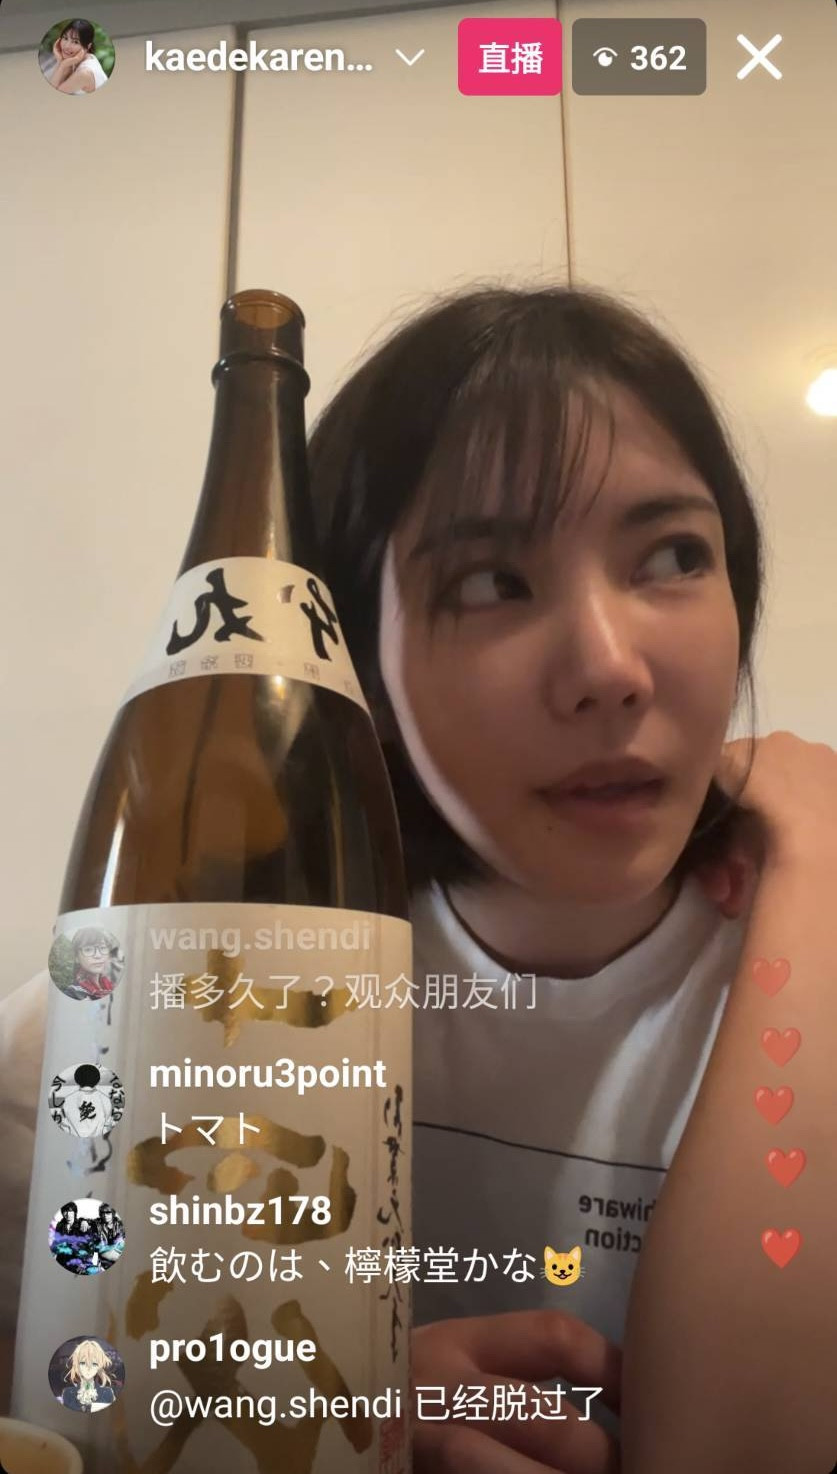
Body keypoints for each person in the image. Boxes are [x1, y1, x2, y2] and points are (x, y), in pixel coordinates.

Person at [0, 286, 835, 1466]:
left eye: (672, 556)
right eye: (492, 581)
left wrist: (821, 855)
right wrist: (314, 1394)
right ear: (356, 659)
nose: (610, 667)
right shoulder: (154, 1021)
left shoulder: (803, 966)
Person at [45, 19, 109, 95]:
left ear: (88, 46)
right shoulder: (77, 59)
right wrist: (60, 61)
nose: (67, 46)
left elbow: (52, 95)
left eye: (75, 42)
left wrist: (62, 65)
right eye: (65, 38)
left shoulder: (84, 74)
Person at [57, 1339, 116, 1411]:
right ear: (77, 1365)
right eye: (83, 1363)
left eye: (94, 1364)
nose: (88, 1368)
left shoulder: (108, 1393)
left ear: (99, 1366)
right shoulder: (67, 1394)